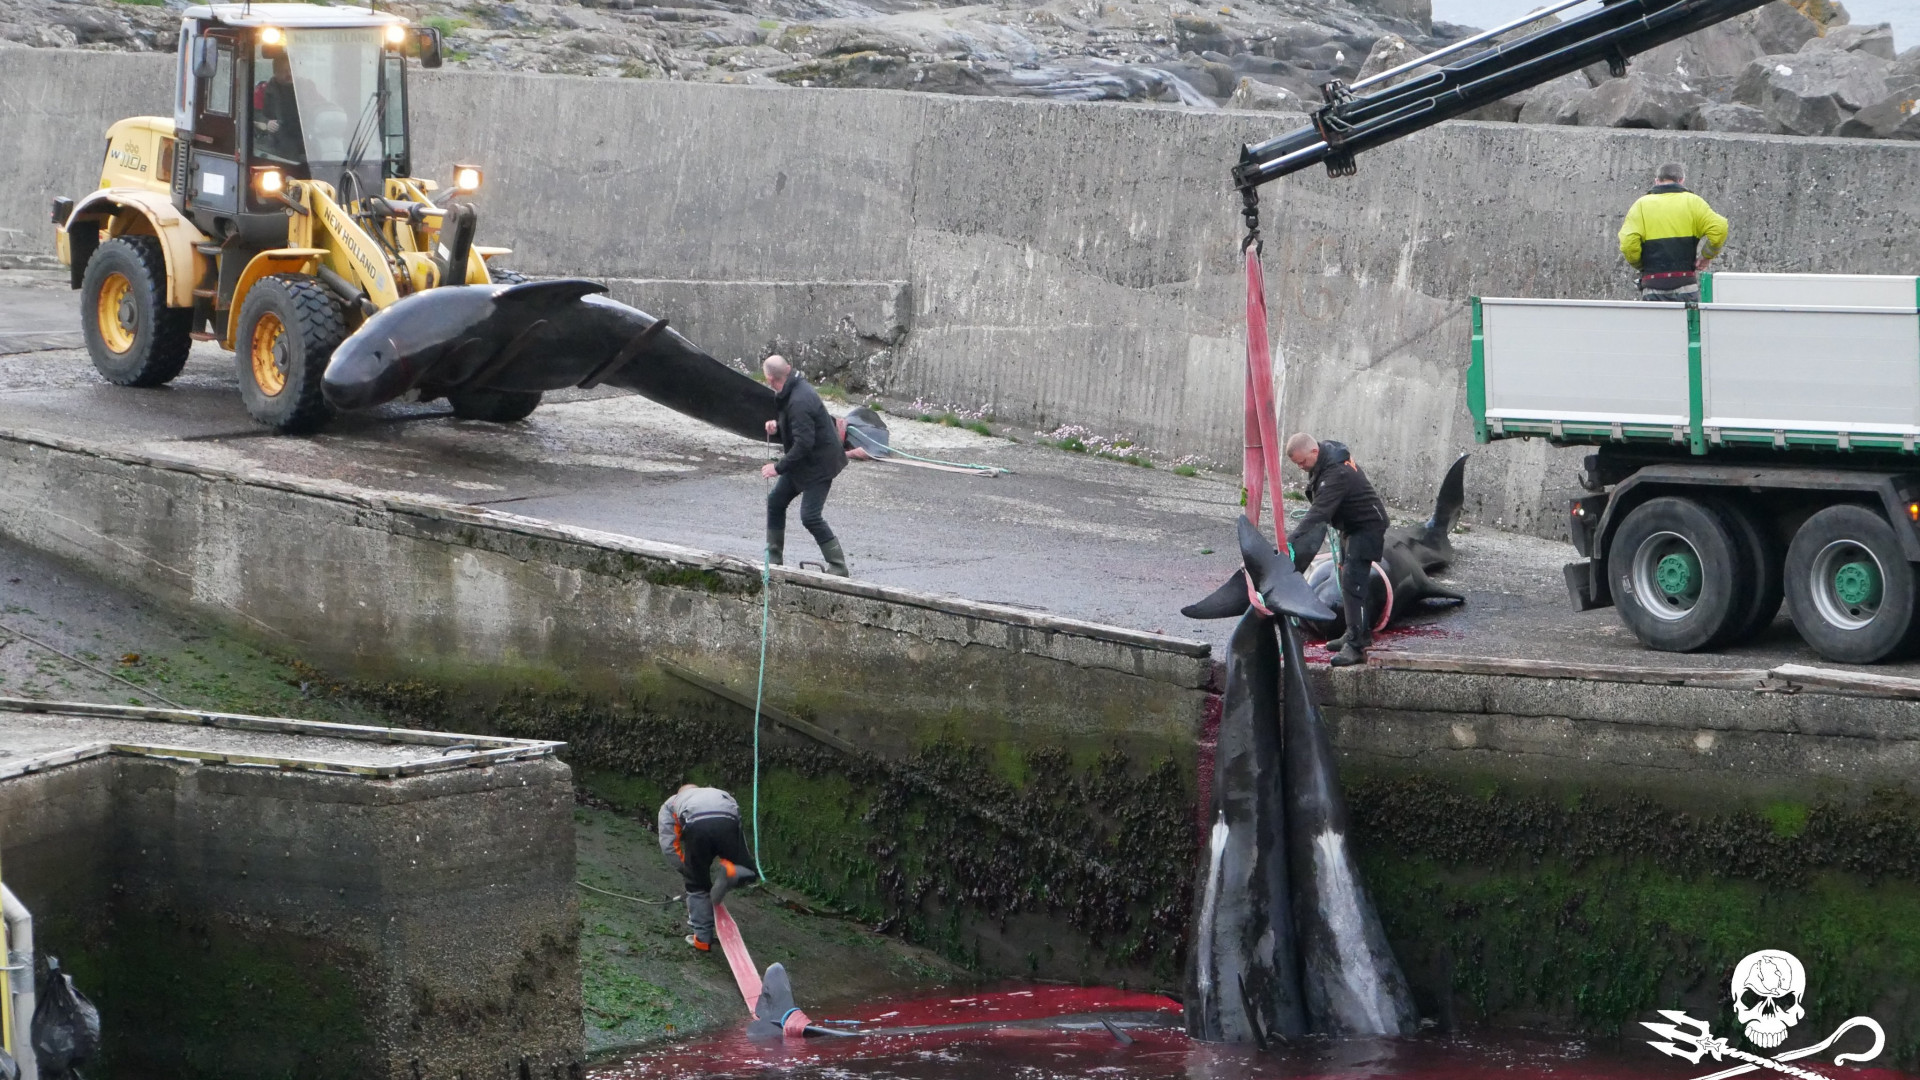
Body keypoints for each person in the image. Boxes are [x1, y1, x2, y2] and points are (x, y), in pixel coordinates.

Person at [1285, 433, 1390, 668]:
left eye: (1302, 462)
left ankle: (1357, 645)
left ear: (1314, 452)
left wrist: (1288, 545)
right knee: (1344, 577)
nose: (1301, 468)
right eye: (1297, 464)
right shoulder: (1326, 454)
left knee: (1354, 583)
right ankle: (1353, 631)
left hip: (1367, 527)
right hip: (1351, 527)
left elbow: (1318, 515)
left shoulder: (1336, 474)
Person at [761, 355, 850, 576]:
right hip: (804, 461)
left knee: (810, 517)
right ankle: (773, 560)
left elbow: (803, 444)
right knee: (775, 501)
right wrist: (778, 427)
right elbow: (799, 427)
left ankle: (839, 567)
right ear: (788, 369)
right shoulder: (791, 389)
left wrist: (777, 467)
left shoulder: (800, 399)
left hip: (820, 464)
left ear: (770, 379)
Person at [658, 783, 760, 953]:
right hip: (727, 821)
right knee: (746, 871)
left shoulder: (672, 803)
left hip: (698, 826)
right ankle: (732, 872)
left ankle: (702, 940)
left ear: (680, 792)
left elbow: (669, 845)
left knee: (697, 885)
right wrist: (740, 861)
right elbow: (738, 829)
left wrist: (689, 871)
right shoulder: (721, 794)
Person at [1617, 162, 1728, 302]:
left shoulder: (1641, 205)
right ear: (1681, 180)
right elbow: (1720, 227)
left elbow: (1628, 244)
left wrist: (1641, 265)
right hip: (1685, 283)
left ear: (1657, 181)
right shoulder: (1693, 202)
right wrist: (1706, 256)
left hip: (1653, 285)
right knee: (1687, 324)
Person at [253, 53, 304, 163]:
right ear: (275, 72)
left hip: (305, 134)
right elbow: (255, 113)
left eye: (291, 70)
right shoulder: (263, 90)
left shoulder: (306, 87)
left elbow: (320, 105)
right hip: (278, 136)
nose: (289, 74)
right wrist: (267, 122)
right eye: (285, 71)